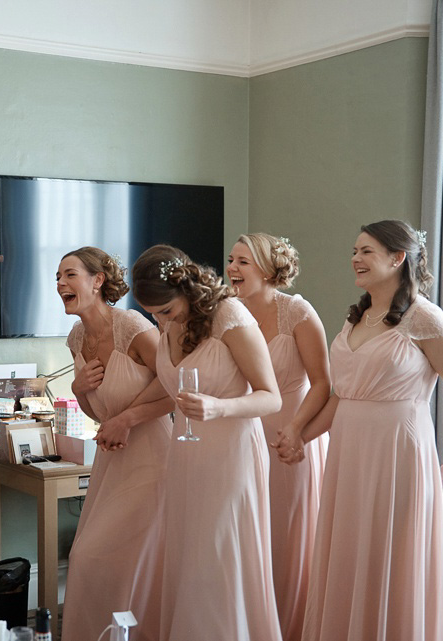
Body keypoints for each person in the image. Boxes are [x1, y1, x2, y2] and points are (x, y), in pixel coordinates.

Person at [287, 220, 443, 641]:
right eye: (354, 251)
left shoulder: (423, 316)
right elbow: (344, 396)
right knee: (351, 553)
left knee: (390, 556)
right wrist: (301, 436)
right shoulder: (357, 317)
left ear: (398, 258)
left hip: (399, 453)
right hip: (349, 454)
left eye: (366, 251)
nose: (355, 259)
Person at [131, 244, 283, 641]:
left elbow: (271, 396)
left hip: (231, 455)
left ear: (186, 289)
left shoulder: (230, 316)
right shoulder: (169, 323)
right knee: (189, 560)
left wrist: (218, 407)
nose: (159, 319)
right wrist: (124, 416)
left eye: (164, 311)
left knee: (217, 561)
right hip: (187, 454)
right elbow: (169, 390)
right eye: (152, 312)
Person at [56, 247, 173, 641]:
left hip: (153, 459)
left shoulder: (133, 327)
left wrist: (127, 419)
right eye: (57, 277)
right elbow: (98, 415)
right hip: (112, 464)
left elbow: (178, 389)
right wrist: (77, 389)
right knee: (92, 558)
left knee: (103, 559)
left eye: (69, 275)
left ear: (97, 280)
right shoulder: (76, 337)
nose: (60, 284)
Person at [226, 233, 330, 641]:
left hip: (294, 435)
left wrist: (297, 429)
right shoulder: (229, 313)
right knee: (254, 533)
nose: (231, 268)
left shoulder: (297, 313)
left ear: (269, 270)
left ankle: (290, 629)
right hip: (247, 436)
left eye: (243, 262)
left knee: (287, 539)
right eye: (231, 260)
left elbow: (323, 383)